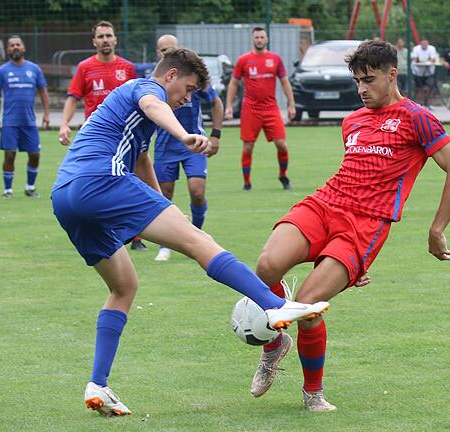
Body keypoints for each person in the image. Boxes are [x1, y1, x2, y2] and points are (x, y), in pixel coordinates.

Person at [50, 48, 331, 417]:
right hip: (101, 181)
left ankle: (97, 384)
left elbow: (141, 158)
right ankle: (275, 304)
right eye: (188, 87)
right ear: (170, 76)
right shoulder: (144, 88)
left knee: (124, 287)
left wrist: (163, 205)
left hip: (65, 196)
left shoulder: (129, 111)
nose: (187, 97)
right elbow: (154, 106)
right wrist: (184, 134)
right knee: (200, 242)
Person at [246, 40, 450, 412]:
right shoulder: (352, 120)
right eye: (357, 81)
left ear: (392, 74)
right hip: (325, 203)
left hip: (364, 227)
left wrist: (436, 229)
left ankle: (312, 393)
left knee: (307, 306)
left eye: (369, 79)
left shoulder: (417, 118)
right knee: (266, 265)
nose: (362, 88)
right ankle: (273, 346)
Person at [58, 20, 144, 249]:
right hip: (96, 140)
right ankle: (107, 232)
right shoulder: (85, 68)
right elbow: (73, 98)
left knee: (130, 179)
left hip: (125, 137)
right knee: (101, 184)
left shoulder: (127, 68)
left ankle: (136, 236)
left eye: (109, 35)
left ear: (116, 39)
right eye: (101, 36)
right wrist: (64, 124)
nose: (105, 40)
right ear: (94, 41)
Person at [151, 35, 224, 262]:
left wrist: (216, 136)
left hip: (194, 144)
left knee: (197, 191)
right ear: (158, 53)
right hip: (164, 147)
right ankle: (165, 245)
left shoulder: (192, 79)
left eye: (170, 49)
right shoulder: (153, 85)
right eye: (163, 50)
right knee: (164, 195)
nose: (166, 53)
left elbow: (216, 103)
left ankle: (196, 235)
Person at [225, 26, 295, 191]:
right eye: (256, 37)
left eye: (262, 37)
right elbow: (233, 83)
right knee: (248, 146)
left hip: (271, 108)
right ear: (252, 39)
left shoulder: (275, 59)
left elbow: (285, 81)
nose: (259, 40)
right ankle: (247, 182)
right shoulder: (244, 60)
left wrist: (291, 104)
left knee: (282, 145)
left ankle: (283, 176)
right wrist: (228, 106)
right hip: (250, 108)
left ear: (266, 39)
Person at [0, 35, 49, 199]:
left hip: (29, 122)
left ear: (23, 48)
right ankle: (8, 190)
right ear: (8, 50)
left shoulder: (34, 69)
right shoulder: (2, 71)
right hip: (10, 122)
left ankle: (30, 187)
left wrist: (46, 114)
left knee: (35, 155)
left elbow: (43, 92)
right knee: (10, 154)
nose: (15, 47)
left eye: (18, 45)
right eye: (11, 45)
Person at [410, 38, 438, 107]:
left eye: (426, 44)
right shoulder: (416, 49)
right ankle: (421, 103)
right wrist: (424, 61)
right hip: (418, 72)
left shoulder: (432, 48)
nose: (425, 45)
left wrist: (422, 61)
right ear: (420, 44)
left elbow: (433, 59)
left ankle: (428, 103)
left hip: (429, 72)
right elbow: (414, 59)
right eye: (423, 44)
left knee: (430, 86)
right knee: (419, 88)